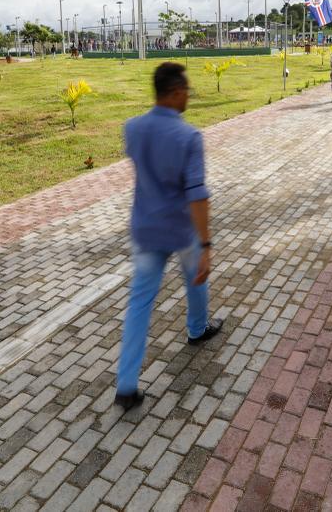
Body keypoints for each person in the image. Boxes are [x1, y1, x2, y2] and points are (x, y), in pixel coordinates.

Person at [116, 62, 224, 410]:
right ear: (176, 92)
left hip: (145, 228)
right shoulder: (189, 137)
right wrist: (206, 244)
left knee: (139, 304)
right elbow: (197, 194)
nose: (189, 96)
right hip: (180, 230)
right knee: (197, 279)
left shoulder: (132, 128)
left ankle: (127, 386)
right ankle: (196, 330)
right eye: (187, 91)